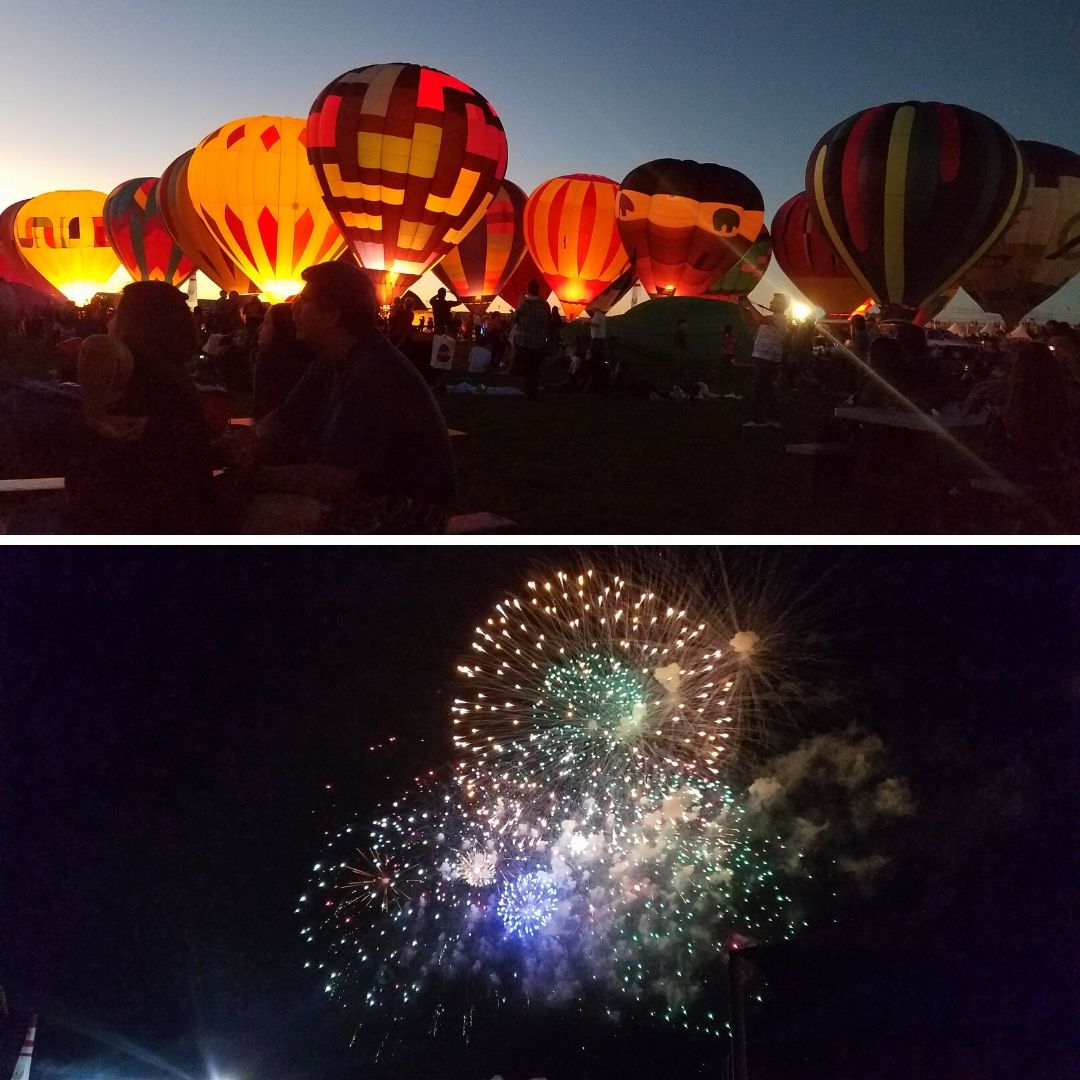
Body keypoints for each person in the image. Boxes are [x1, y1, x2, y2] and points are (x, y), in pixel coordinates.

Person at [232, 260, 455, 534]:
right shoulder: (333, 360)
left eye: (304, 301)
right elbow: (285, 420)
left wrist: (252, 476)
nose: (294, 309)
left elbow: (335, 478)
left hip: (410, 512)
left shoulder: (373, 373)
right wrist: (235, 447)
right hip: (374, 497)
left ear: (333, 315)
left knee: (268, 512)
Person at [66, 281, 216, 533]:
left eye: (116, 315)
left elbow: (94, 346)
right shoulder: (176, 380)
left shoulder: (133, 383)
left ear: (133, 322)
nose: (109, 323)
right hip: (182, 515)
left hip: (131, 520)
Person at [252, 303, 316, 421]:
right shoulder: (315, 360)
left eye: (266, 323)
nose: (259, 328)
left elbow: (263, 408)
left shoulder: (269, 357)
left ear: (281, 328)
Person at [740, 293, 789, 428]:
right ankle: (774, 419)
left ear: (782, 305)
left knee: (759, 389)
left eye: (774, 301)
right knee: (767, 388)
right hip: (764, 357)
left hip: (767, 358)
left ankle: (758, 420)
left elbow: (759, 319)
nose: (771, 303)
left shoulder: (781, 318)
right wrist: (741, 305)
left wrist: (749, 304)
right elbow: (749, 319)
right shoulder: (772, 318)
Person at [511, 279, 551, 400]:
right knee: (535, 367)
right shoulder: (545, 305)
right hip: (538, 341)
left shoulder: (524, 303)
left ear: (528, 289)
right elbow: (547, 322)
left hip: (523, 340)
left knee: (526, 367)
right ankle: (534, 388)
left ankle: (529, 389)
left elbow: (515, 318)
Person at [718, 324, 740, 397]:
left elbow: (734, 345)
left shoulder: (727, 337)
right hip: (727, 356)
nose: (734, 331)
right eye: (733, 329)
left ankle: (725, 388)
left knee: (726, 371)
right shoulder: (728, 337)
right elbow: (728, 345)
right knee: (728, 371)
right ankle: (728, 389)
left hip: (727, 356)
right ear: (730, 330)